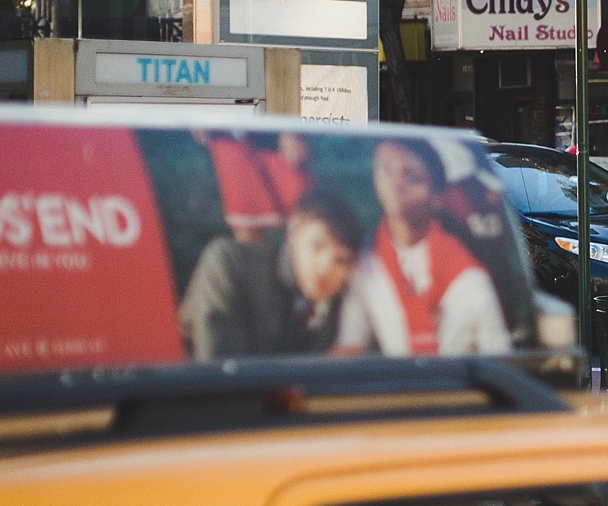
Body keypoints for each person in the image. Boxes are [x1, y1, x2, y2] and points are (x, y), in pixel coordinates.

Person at [337, 139, 512, 356]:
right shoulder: (366, 261)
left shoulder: (469, 278)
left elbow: (498, 357)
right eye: (386, 168)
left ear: (437, 197)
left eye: (411, 176)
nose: (395, 182)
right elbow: (350, 345)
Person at [177, 191, 362, 358]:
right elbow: (216, 373)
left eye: (341, 260)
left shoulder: (345, 307)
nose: (325, 268)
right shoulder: (232, 264)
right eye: (317, 246)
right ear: (294, 231)